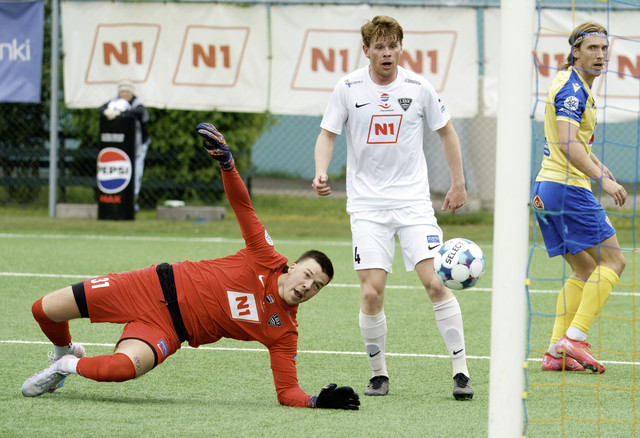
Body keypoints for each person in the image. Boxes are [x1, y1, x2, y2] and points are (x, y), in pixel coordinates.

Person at [21, 123, 360, 411]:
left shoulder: (284, 332)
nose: (308, 286)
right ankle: (65, 350)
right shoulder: (265, 255)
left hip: (168, 330)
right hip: (149, 285)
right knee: (43, 310)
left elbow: (287, 392)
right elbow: (242, 205)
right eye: (308, 275)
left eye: (317, 286)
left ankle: (66, 366)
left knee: (122, 368)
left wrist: (316, 401)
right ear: (293, 267)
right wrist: (227, 164)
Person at [312, 15, 473, 400]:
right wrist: (320, 171)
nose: (387, 53)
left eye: (392, 46)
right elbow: (327, 134)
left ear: (401, 47)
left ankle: (461, 372)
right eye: (379, 47)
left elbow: (447, 131)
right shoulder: (348, 87)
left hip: (414, 204)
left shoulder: (418, 87)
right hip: (367, 207)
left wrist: (458, 183)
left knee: (436, 283)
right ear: (366, 51)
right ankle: (379, 375)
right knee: (371, 293)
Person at [532, 22, 627, 374]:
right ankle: (575, 337)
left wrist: (600, 165)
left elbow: (574, 143)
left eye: (604, 49)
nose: (600, 55)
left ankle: (554, 352)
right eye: (592, 48)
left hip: (546, 190)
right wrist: (602, 180)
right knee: (614, 261)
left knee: (585, 269)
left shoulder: (570, 83)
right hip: (567, 188)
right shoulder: (573, 90)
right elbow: (568, 144)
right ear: (575, 52)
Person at [99, 80, 151, 210]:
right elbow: (101, 109)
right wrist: (107, 111)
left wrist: (122, 113)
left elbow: (139, 112)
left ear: (132, 93)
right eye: (122, 91)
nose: (125, 94)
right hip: (120, 147)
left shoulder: (138, 104)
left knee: (136, 174)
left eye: (128, 91)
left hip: (137, 146)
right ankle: (118, 203)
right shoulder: (114, 102)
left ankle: (132, 203)